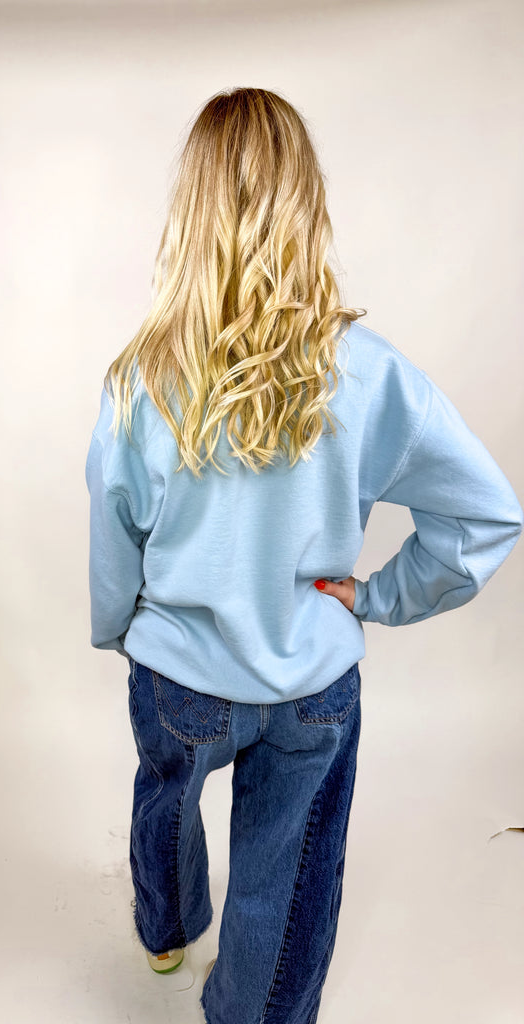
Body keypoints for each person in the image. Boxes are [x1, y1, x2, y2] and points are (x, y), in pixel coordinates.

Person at [85, 87, 522, 1024]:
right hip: (310, 681)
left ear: (190, 212)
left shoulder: (141, 380)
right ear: (308, 208)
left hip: (179, 674)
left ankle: (166, 927)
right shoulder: (368, 374)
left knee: (167, 800)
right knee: (286, 876)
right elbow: (486, 515)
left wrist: (117, 626)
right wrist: (374, 599)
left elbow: (113, 522)